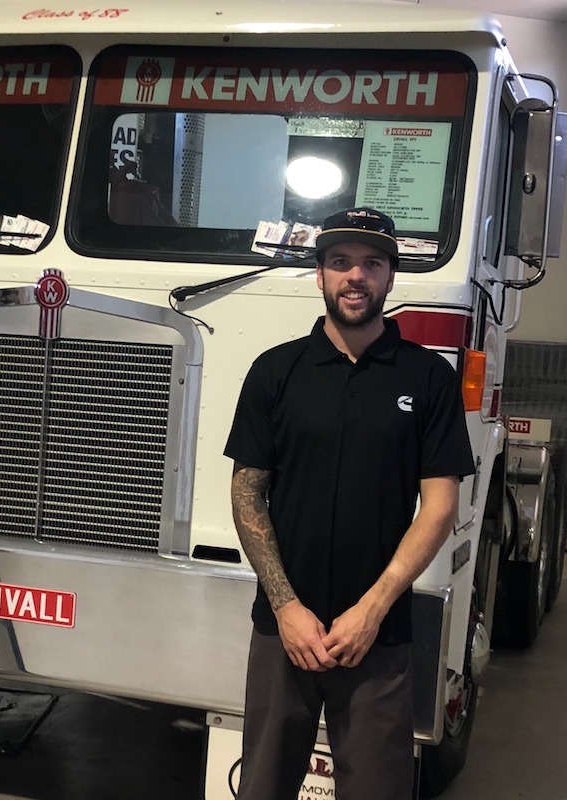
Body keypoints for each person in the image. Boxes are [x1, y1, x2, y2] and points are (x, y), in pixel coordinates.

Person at [224, 207, 475, 800]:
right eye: (340, 263)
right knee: (263, 786)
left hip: (378, 636)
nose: (354, 276)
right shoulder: (276, 371)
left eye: (371, 263)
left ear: (390, 278)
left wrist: (372, 609)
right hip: (283, 630)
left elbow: (439, 506)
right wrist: (286, 608)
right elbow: (247, 493)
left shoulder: (428, 378)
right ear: (320, 275)